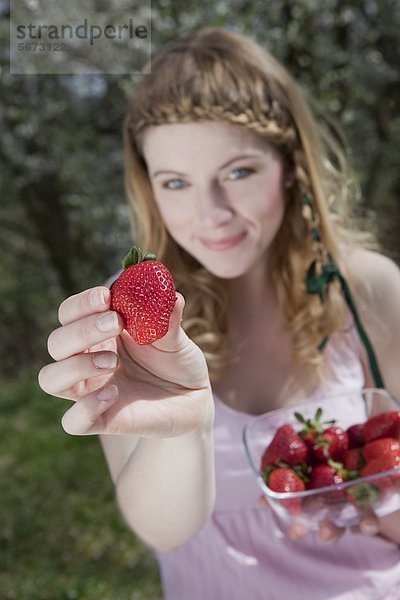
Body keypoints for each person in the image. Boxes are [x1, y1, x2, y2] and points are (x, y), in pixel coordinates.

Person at [38, 27, 400, 600]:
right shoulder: (133, 314)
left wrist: (380, 505)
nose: (210, 214)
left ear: (291, 166)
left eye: (238, 172)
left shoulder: (369, 290)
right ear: (149, 189)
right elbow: (166, 529)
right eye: (176, 182)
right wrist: (182, 430)